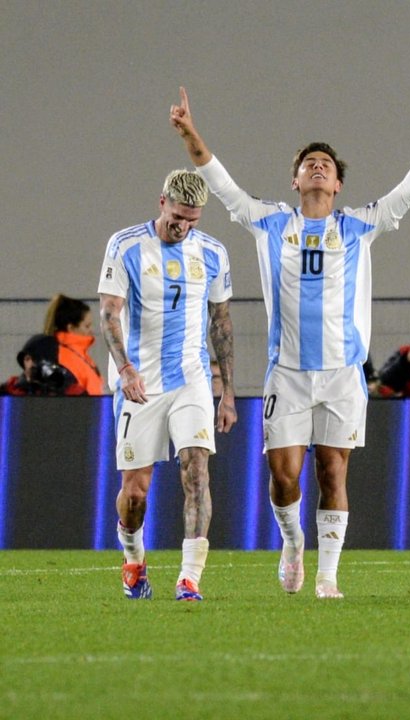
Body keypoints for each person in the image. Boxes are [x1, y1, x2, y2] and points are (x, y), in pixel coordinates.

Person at [170, 85, 410, 599]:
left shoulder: (357, 226)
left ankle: (327, 576)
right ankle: (291, 540)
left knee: (333, 470)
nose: (318, 167)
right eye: (310, 163)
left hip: (343, 373)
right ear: (295, 179)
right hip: (288, 372)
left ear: (339, 183)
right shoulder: (270, 222)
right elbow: (220, 182)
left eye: (327, 163)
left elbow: (409, 192)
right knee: (284, 478)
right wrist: (192, 134)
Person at [98, 169, 236, 602]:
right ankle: (134, 561)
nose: (183, 227)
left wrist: (227, 391)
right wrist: (125, 371)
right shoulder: (125, 246)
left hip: (191, 380)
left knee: (196, 468)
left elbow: (221, 322)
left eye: (192, 220)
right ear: (162, 203)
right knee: (135, 492)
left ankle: (189, 578)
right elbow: (108, 314)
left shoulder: (213, 253)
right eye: (177, 217)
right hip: (140, 383)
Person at [42, 294, 105, 395]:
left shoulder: (79, 355)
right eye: (87, 326)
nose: (91, 330)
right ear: (71, 328)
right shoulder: (65, 357)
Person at [1, 334, 86, 396]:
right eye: (27, 359)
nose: (29, 363)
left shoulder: (73, 392)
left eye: (34, 359)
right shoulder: (9, 391)